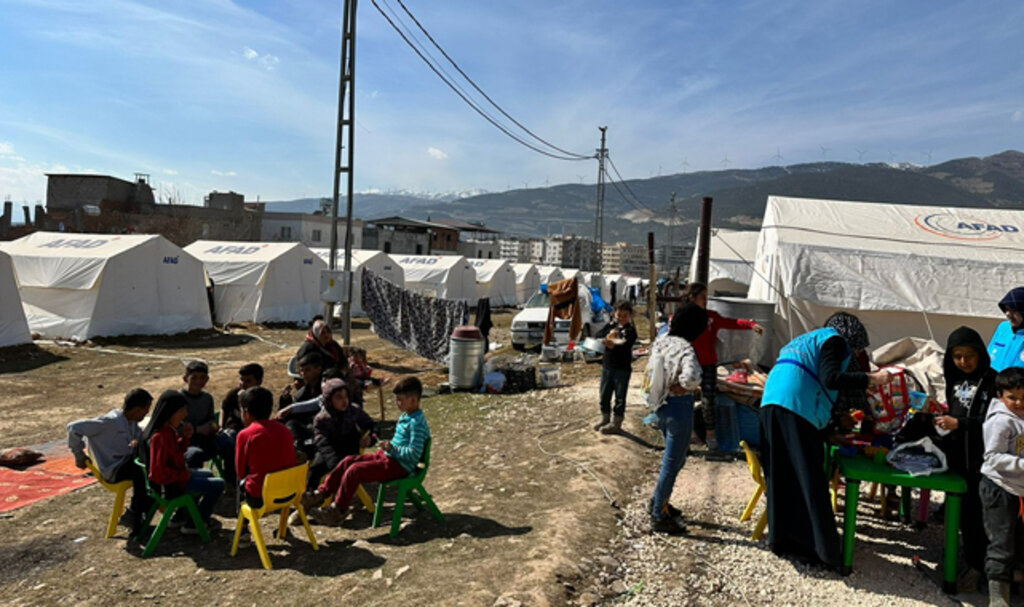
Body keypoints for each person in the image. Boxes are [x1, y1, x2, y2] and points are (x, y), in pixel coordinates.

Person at [758, 312, 891, 570]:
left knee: (783, 476)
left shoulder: (806, 340)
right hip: (794, 406)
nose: (854, 355)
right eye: (856, 349)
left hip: (772, 404)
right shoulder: (835, 341)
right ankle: (817, 550)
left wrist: (827, 430)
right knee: (809, 479)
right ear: (851, 338)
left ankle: (784, 541)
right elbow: (831, 378)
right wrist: (871, 379)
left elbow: (812, 381)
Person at [302, 376, 430, 526]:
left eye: (400, 400)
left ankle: (338, 511)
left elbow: (414, 453)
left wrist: (391, 448)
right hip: (389, 458)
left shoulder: (416, 424)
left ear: (413, 400)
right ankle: (321, 494)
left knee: (355, 471)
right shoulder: (406, 416)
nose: (397, 403)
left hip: (399, 465)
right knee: (348, 461)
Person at [934, 326, 997, 586]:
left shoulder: (993, 381)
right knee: (961, 513)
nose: (964, 361)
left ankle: (978, 569)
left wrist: (960, 423)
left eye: (970, 355)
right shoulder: (955, 379)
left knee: (978, 517)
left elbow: (996, 422)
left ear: (980, 353)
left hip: (983, 462)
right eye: (957, 356)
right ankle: (968, 557)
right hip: (959, 459)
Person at [641, 303, 706, 534]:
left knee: (677, 458)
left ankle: (660, 499)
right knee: (673, 461)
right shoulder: (687, 348)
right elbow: (692, 377)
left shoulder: (662, 340)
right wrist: (685, 386)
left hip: (660, 405)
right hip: (679, 408)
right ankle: (659, 513)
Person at [682, 282, 764, 451]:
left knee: (708, 399)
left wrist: (750, 324)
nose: (705, 300)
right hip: (688, 364)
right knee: (685, 397)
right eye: (702, 297)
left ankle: (710, 435)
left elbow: (732, 322)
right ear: (692, 298)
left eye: (706, 297)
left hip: (708, 365)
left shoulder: (711, 317)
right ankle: (687, 433)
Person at [67, 388, 154, 537]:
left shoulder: (131, 423)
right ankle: (135, 512)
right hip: (113, 468)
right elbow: (73, 427)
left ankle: (142, 509)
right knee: (141, 467)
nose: (145, 415)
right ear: (137, 410)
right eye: (145, 412)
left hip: (126, 463)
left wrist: (138, 441)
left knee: (149, 462)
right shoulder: (109, 422)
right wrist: (79, 454)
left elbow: (142, 437)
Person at [142, 390, 225, 533]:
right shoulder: (160, 437)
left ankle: (183, 515)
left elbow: (174, 455)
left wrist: (185, 438)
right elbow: (157, 473)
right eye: (182, 410)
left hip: (175, 478)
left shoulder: (168, 431)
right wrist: (183, 475)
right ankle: (196, 522)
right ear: (170, 412)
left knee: (208, 473)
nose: (185, 415)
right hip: (170, 486)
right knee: (219, 484)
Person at [980, 367, 1024, 607]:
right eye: (1012, 398)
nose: (1019, 403)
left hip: (1019, 489)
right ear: (1000, 396)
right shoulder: (1000, 421)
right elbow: (992, 457)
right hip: (1000, 487)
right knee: (1002, 544)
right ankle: (998, 599)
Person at [235, 386, 296, 509]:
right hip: (289, 492)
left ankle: (241, 518)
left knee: (240, 482)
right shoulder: (285, 430)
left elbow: (240, 472)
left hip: (260, 497)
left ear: (246, 412)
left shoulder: (245, 434)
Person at [309, 379, 376, 491]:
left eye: (346, 396)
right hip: (330, 452)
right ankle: (311, 495)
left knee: (346, 468)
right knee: (315, 469)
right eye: (339, 398)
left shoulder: (354, 411)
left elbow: (372, 425)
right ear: (329, 400)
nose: (344, 401)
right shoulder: (322, 419)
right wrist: (334, 462)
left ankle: (338, 494)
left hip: (350, 449)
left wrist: (370, 438)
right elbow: (322, 442)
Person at [180, 360, 235, 480]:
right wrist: (198, 429)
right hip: (186, 442)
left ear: (207, 379)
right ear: (185, 378)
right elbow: (175, 428)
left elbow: (211, 419)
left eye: (202, 378)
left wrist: (214, 426)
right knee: (195, 454)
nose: (198, 381)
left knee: (229, 443)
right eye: (194, 377)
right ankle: (197, 485)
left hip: (207, 439)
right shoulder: (178, 399)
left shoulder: (207, 398)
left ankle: (230, 481)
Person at [594, 301, 639, 435]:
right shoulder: (611, 325)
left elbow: (626, 345)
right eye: (619, 315)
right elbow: (598, 334)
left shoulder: (630, 330)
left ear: (630, 316)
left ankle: (616, 423)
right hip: (608, 366)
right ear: (614, 314)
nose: (621, 318)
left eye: (625, 316)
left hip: (622, 368)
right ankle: (605, 418)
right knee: (604, 394)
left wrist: (615, 343)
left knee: (620, 397)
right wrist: (606, 337)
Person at [278, 353, 325, 460]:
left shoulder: (327, 386)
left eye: (307, 370)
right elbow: (293, 412)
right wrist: (285, 400)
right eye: (302, 371)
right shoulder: (303, 392)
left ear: (318, 369)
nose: (303, 374)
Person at [221, 363, 264, 440]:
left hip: (252, 432)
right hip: (232, 430)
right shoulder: (234, 394)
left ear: (259, 382)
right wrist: (221, 426)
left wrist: (242, 401)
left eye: (248, 381)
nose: (243, 384)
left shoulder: (262, 398)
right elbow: (224, 409)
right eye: (241, 379)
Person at [988, 287, 1024, 372]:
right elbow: (988, 355)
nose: (1008, 314)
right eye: (1006, 309)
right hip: (992, 378)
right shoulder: (1003, 327)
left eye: (1013, 310)